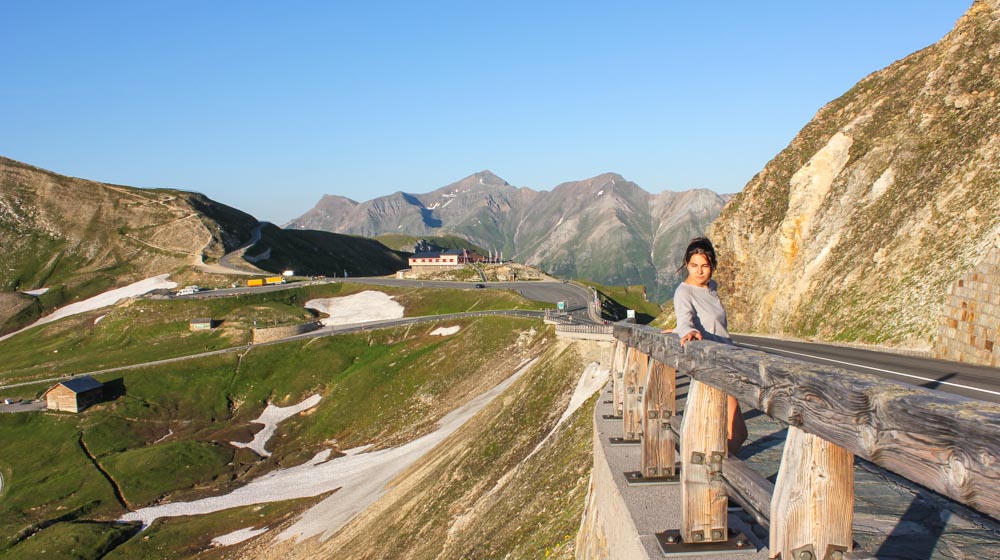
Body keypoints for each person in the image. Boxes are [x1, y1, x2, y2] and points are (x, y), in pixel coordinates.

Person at [668, 237, 747, 455]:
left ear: (713, 266)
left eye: (705, 266)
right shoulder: (683, 292)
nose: (699, 271)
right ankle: (710, 473)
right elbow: (686, 318)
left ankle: (707, 471)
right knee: (737, 432)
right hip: (714, 365)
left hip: (727, 361)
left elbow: (702, 318)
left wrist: (678, 329)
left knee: (720, 431)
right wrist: (685, 331)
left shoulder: (712, 288)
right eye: (694, 265)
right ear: (686, 264)